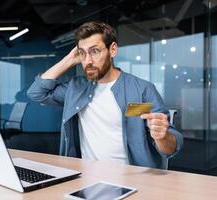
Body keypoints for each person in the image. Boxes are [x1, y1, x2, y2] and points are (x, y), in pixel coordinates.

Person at [27, 21, 183, 169]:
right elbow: (36, 93)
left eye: (95, 51)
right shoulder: (75, 89)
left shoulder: (141, 90)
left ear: (113, 50)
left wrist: (162, 136)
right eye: (82, 53)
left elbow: (170, 149)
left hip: (133, 179)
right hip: (84, 176)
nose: (87, 61)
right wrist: (69, 60)